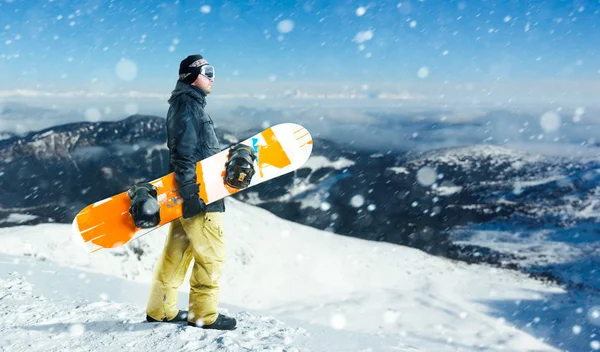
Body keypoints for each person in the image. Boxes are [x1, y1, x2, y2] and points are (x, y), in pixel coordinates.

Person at [145, 54, 236, 330]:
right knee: (212, 257)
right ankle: (204, 315)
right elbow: (183, 155)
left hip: (186, 196)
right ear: (189, 75)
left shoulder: (186, 103)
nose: (212, 77)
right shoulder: (188, 105)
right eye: (207, 71)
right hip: (200, 197)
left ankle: (160, 311)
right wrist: (193, 196)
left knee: (176, 256)